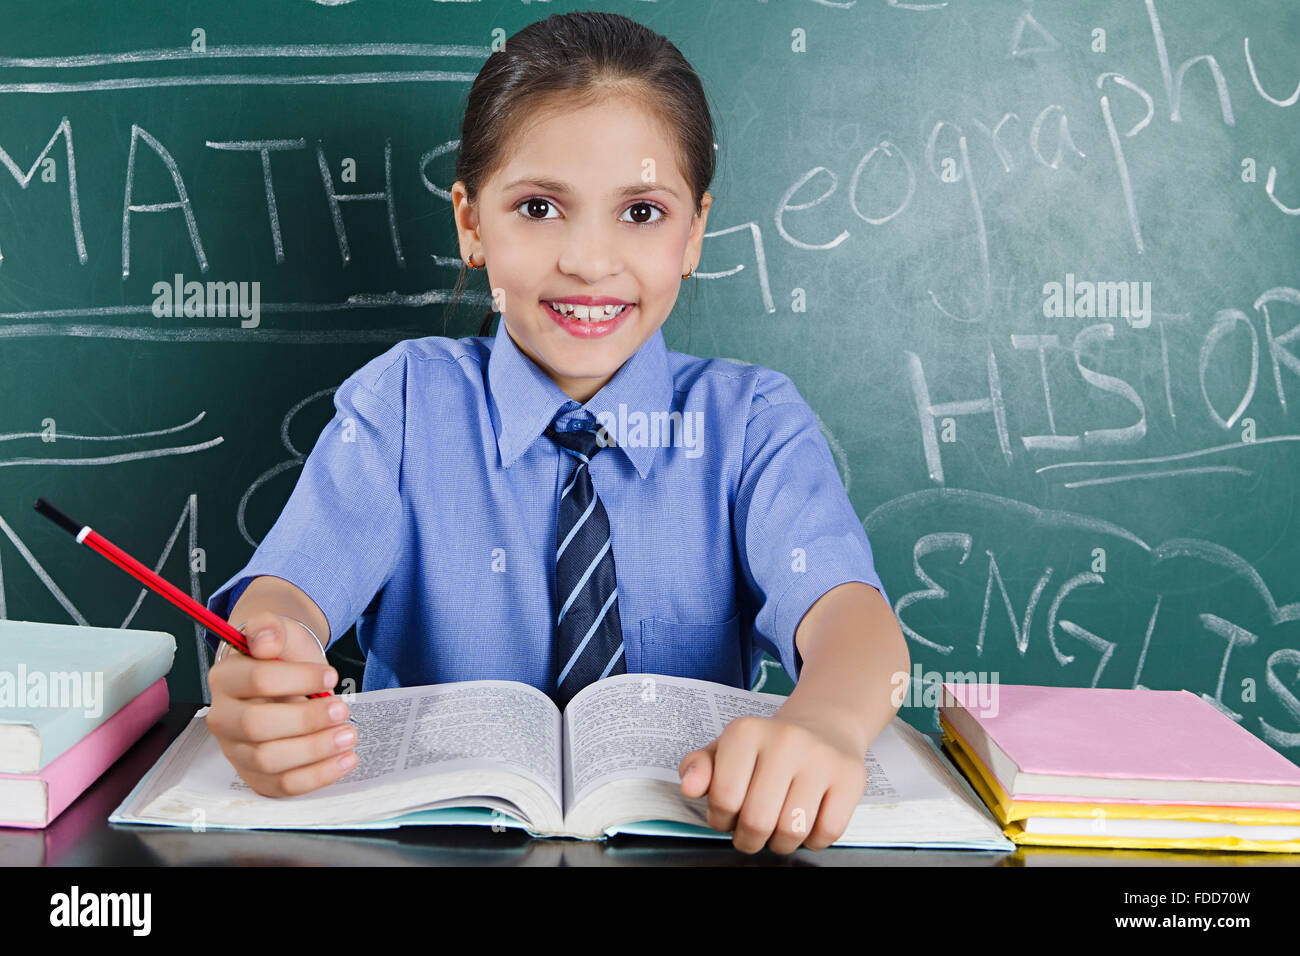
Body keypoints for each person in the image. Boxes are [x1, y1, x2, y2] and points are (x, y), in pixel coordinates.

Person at [203, 11, 908, 855]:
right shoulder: (403, 405)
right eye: (539, 207)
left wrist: (827, 722)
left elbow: (852, 620)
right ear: (471, 224)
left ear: (695, 233)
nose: (588, 258)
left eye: (642, 212)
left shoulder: (752, 423)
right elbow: (287, 596)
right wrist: (271, 665)